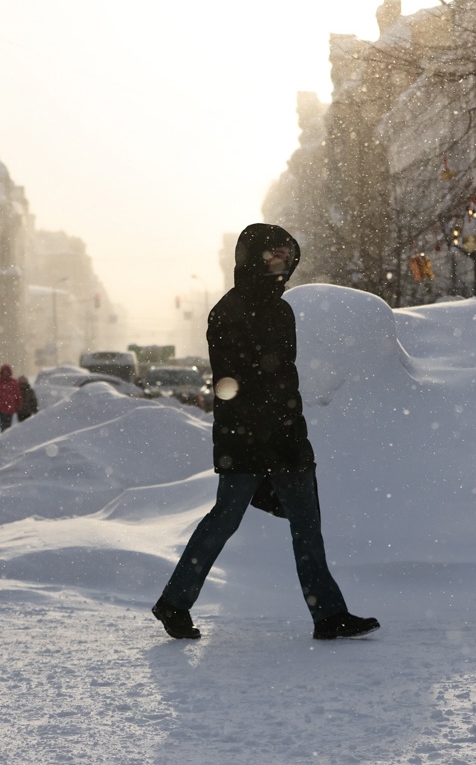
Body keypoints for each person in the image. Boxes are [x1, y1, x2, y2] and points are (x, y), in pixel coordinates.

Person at [151, 223, 379, 641]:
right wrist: (259, 444)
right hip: (246, 440)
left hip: (289, 436)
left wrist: (290, 431)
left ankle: (328, 615)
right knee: (224, 520)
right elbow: (232, 386)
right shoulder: (228, 311)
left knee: (308, 525)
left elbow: (283, 379)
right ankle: (173, 603)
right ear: (251, 259)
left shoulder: (281, 310)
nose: (282, 264)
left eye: (286, 257)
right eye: (273, 256)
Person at [0, 364, 22, 433]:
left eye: (7, 371)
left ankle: (6, 437)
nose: (5, 373)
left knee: (8, 424)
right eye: (4, 371)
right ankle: (3, 435)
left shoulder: (13, 382)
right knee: (3, 422)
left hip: (10, 407)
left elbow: (18, 394)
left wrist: (19, 404)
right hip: (1, 407)